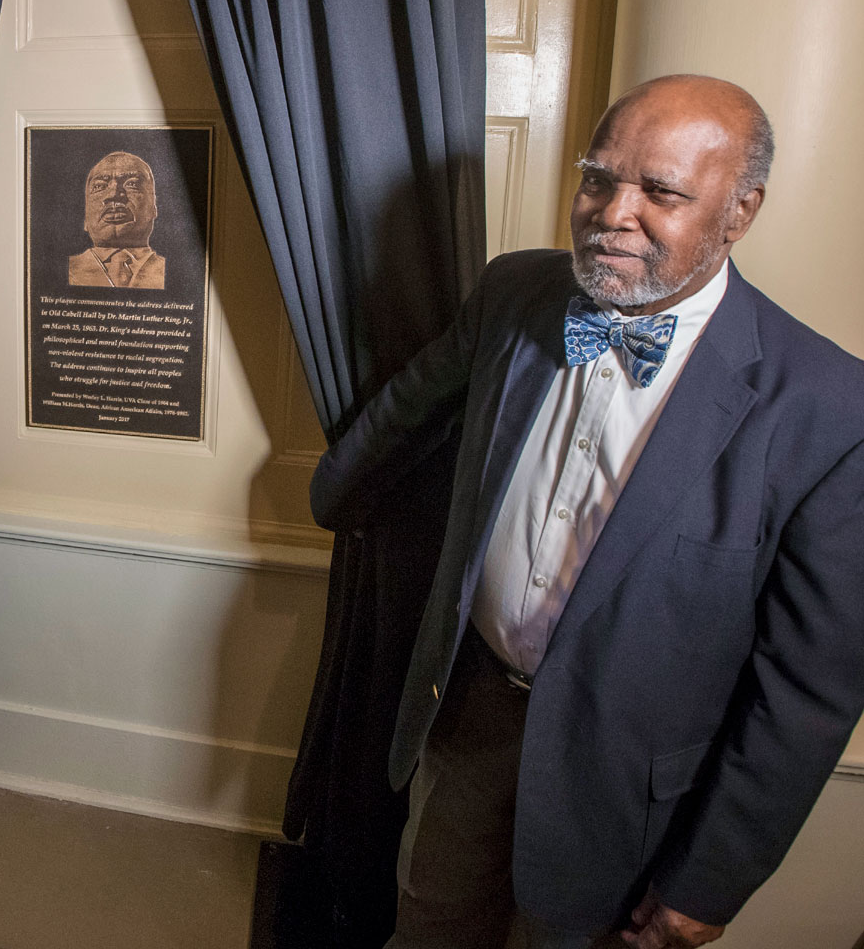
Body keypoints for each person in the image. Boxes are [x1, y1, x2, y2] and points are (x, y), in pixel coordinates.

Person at [310, 74, 864, 949]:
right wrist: (335, 494)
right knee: (424, 928)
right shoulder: (514, 293)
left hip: (628, 784)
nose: (613, 211)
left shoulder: (828, 406)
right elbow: (409, 406)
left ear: (740, 212)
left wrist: (708, 883)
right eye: (599, 178)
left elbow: (805, 692)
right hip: (470, 718)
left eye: (661, 192)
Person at [68, 150, 167, 289]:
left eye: (132, 184)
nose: (113, 194)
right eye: (99, 186)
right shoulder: (62, 271)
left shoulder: (177, 273)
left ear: (154, 207)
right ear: (85, 216)